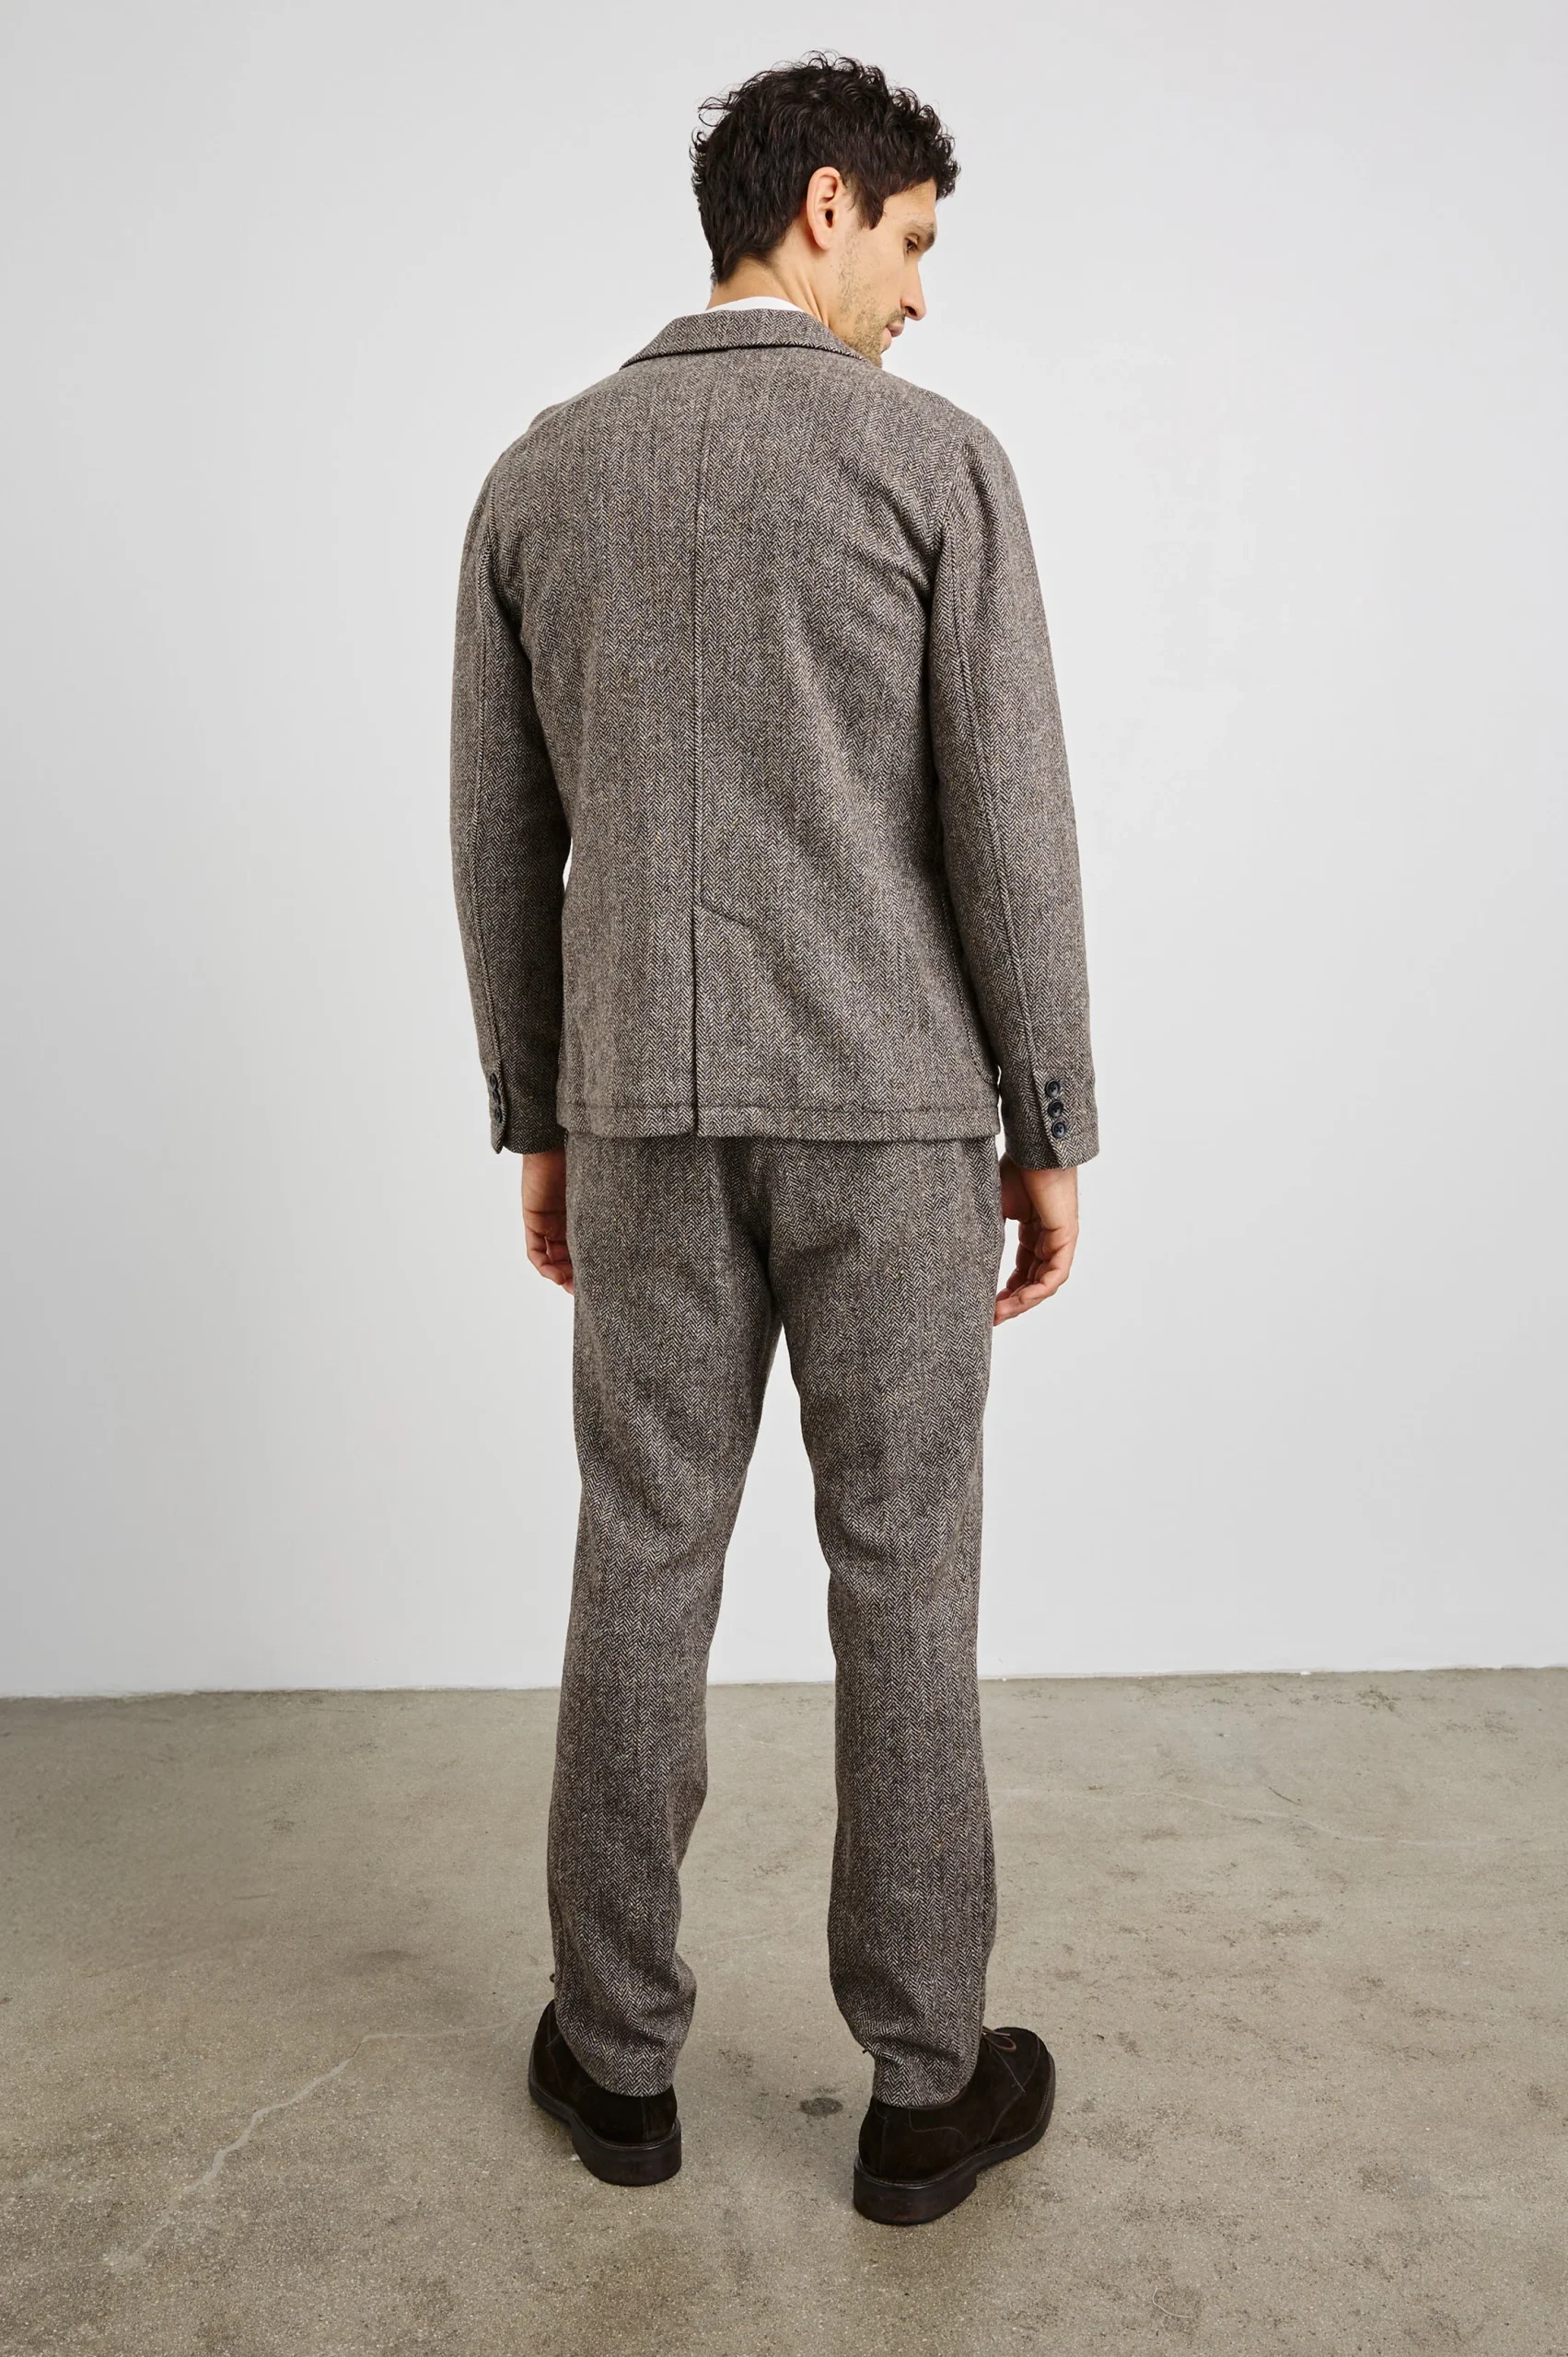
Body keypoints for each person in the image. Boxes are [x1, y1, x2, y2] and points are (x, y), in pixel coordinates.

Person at [449, 52, 1098, 2227]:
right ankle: (923, 2081)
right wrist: (1045, 1119)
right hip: (894, 1118)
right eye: (909, 241)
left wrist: (538, 1108)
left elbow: (497, 839)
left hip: (639, 1106)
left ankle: (614, 2058)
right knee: (901, 1566)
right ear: (822, 207)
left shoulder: (542, 476)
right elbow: (1008, 829)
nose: (918, 292)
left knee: (641, 1552)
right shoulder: (933, 465)